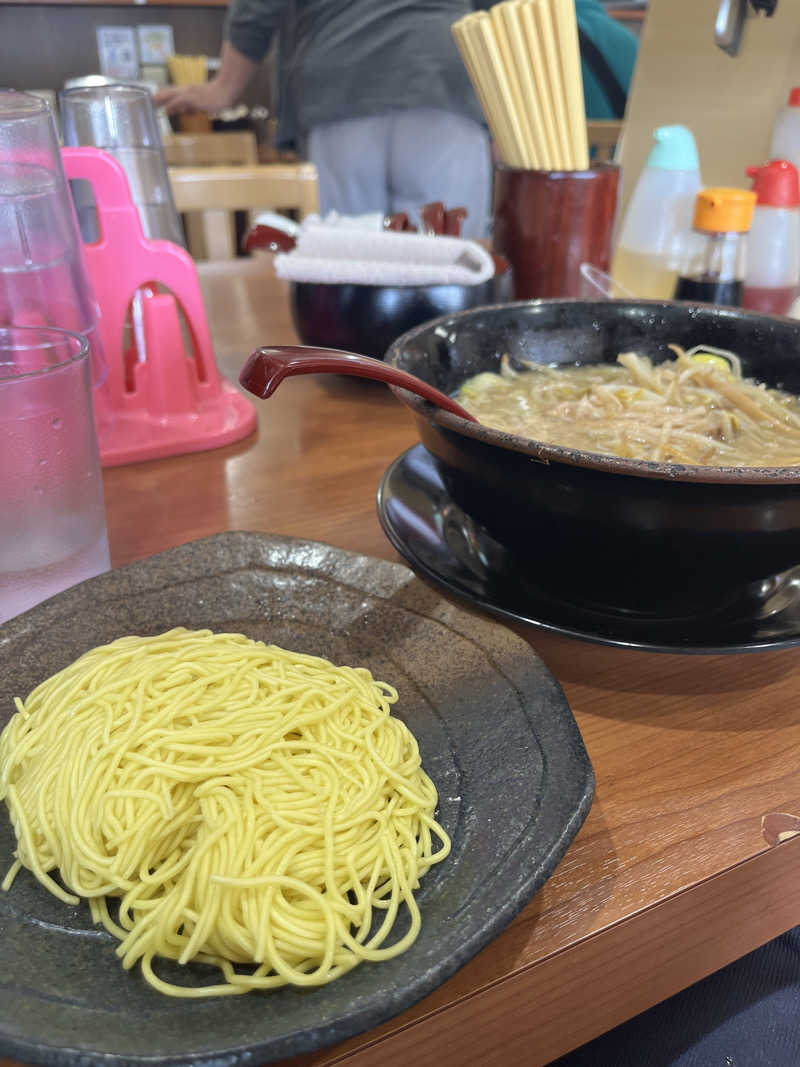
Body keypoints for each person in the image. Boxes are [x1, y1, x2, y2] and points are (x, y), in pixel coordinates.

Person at [156, 1, 495, 237]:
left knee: (351, 260)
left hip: (342, 81)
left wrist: (225, 87)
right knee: (449, 262)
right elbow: (502, 12)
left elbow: (257, 7)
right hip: (443, 79)